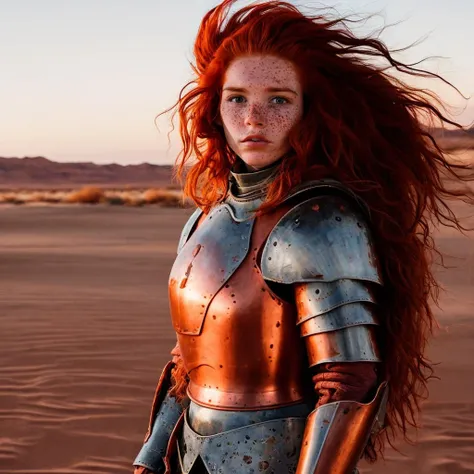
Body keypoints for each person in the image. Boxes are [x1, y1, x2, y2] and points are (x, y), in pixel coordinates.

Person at [132, 1, 473, 473]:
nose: (253, 119)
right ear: (215, 110)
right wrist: (150, 459)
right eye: (237, 99)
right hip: (192, 458)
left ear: (307, 111)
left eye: (278, 99)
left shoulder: (318, 223)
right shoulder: (203, 222)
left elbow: (349, 383)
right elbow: (185, 366)